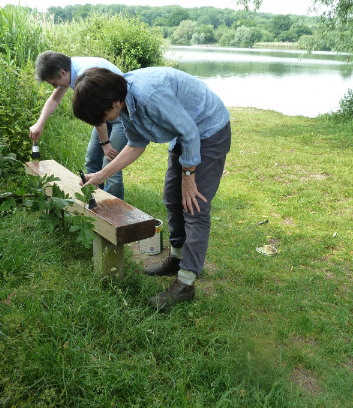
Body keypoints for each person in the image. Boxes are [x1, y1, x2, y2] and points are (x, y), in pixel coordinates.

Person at [73, 67, 232, 310]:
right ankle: (177, 259)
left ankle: (186, 283)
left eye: (103, 116)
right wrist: (101, 175)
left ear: (114, 102)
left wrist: (189, 176)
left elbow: (190, 131)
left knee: (194, 205)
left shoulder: (149, 96)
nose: (103, 122)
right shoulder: (123, 103)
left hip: (208, 129)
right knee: (172, 196)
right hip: (185, 133)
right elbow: (136, 143)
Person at [29, 51, 127, 199]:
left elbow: (97, 114)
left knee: (111, 164)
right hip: (104, 114)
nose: (55, 87)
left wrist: (105, 143)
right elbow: (54, 99)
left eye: (54, 83)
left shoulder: (85, 74)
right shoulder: (71, 71)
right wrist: (40, 123)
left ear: (62, 73)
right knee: (92, 159)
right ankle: (94, 202)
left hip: (121, 115)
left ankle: (116, 211)